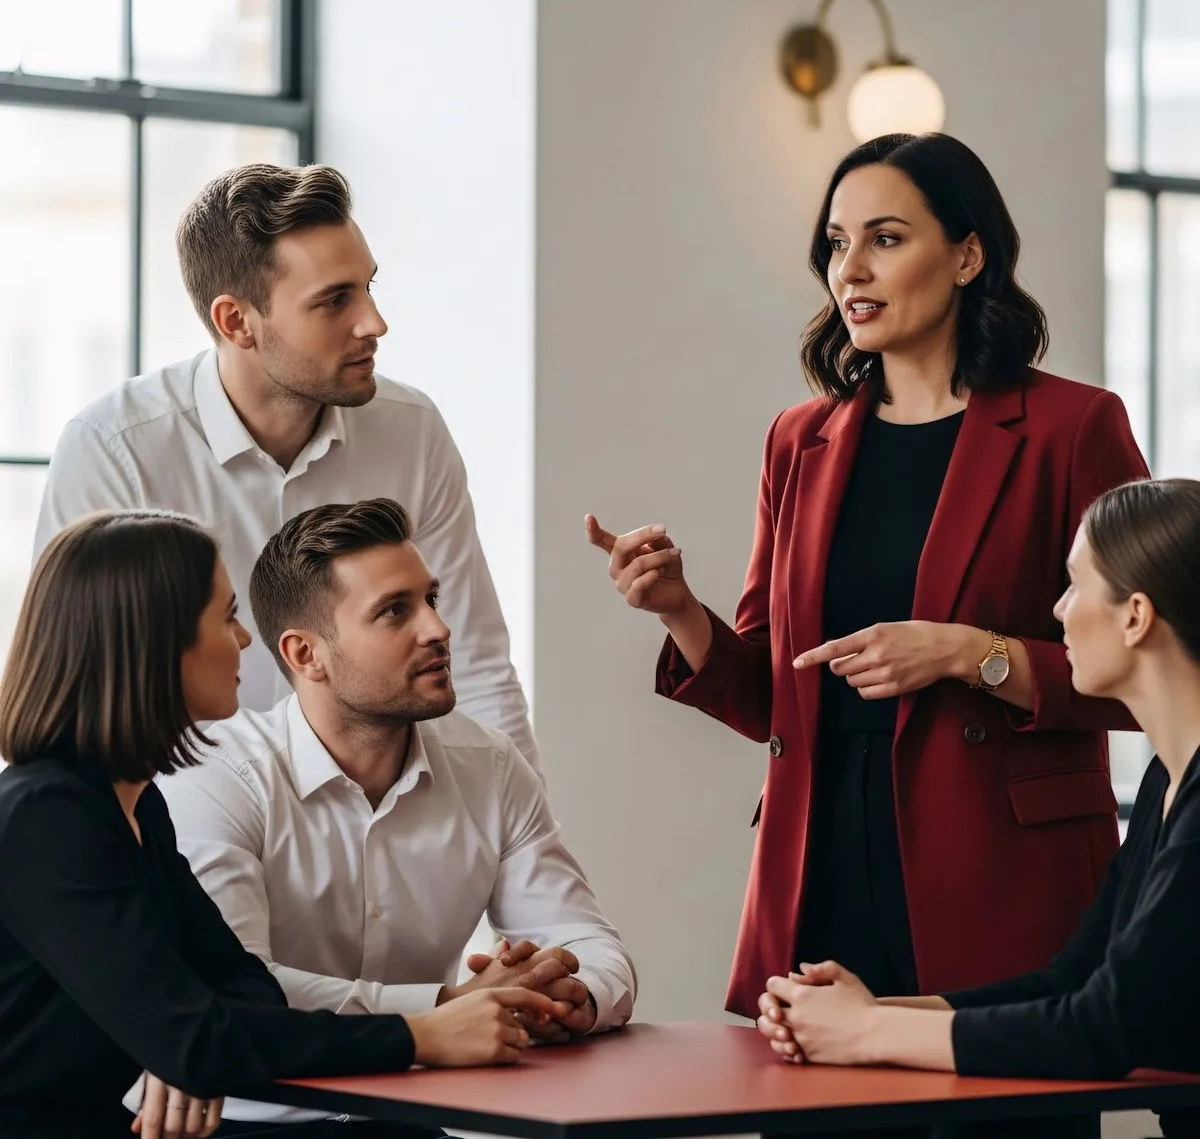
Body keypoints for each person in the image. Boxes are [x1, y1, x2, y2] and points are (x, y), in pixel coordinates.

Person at [586, 133, 1148, 1137]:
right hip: (825, 871)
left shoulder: (1072, 428)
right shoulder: (800, 440)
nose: (851, 269)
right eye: (837, 243)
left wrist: (973, 653)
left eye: (885, 239)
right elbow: (773, 694)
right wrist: (678, 608)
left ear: (968, 254)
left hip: (1003, 884)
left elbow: (1152, 668)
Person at [0, 511, 566, 1139]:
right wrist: (420, 1033)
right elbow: (191, 1038)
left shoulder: (135, 807)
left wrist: (214, 1034)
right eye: (225, 616)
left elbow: (240, 986)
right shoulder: (47, 818)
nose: (245, 640)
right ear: (157, 643)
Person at [33, 162, 538, 777]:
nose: (374, 323)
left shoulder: (412, 429)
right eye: (333, 301)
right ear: (235, 321)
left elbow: (477, 659)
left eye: (368, 287)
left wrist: (523, 844)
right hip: (185, 825)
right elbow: (92, 705)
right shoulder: (114, 449)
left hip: (382, 815)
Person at [158, 498, 636, 1130]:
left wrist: (568, 996)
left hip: (406, 1117)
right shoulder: (214, 774)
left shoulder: (488, 765)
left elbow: (591, 944)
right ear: (305, 655)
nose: (438, 629)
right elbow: (239, 991)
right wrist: (442, 1009)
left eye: (431, 598)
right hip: (246, 1116)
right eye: (395, 611)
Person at [757, 477, 1200, 1139]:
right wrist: (858, 1010)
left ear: (1135, 616)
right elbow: (1072, 979)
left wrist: (868, 1032)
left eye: (1076, 585)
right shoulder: (1171, 778)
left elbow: (1103, 1030)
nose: (1057, 609)